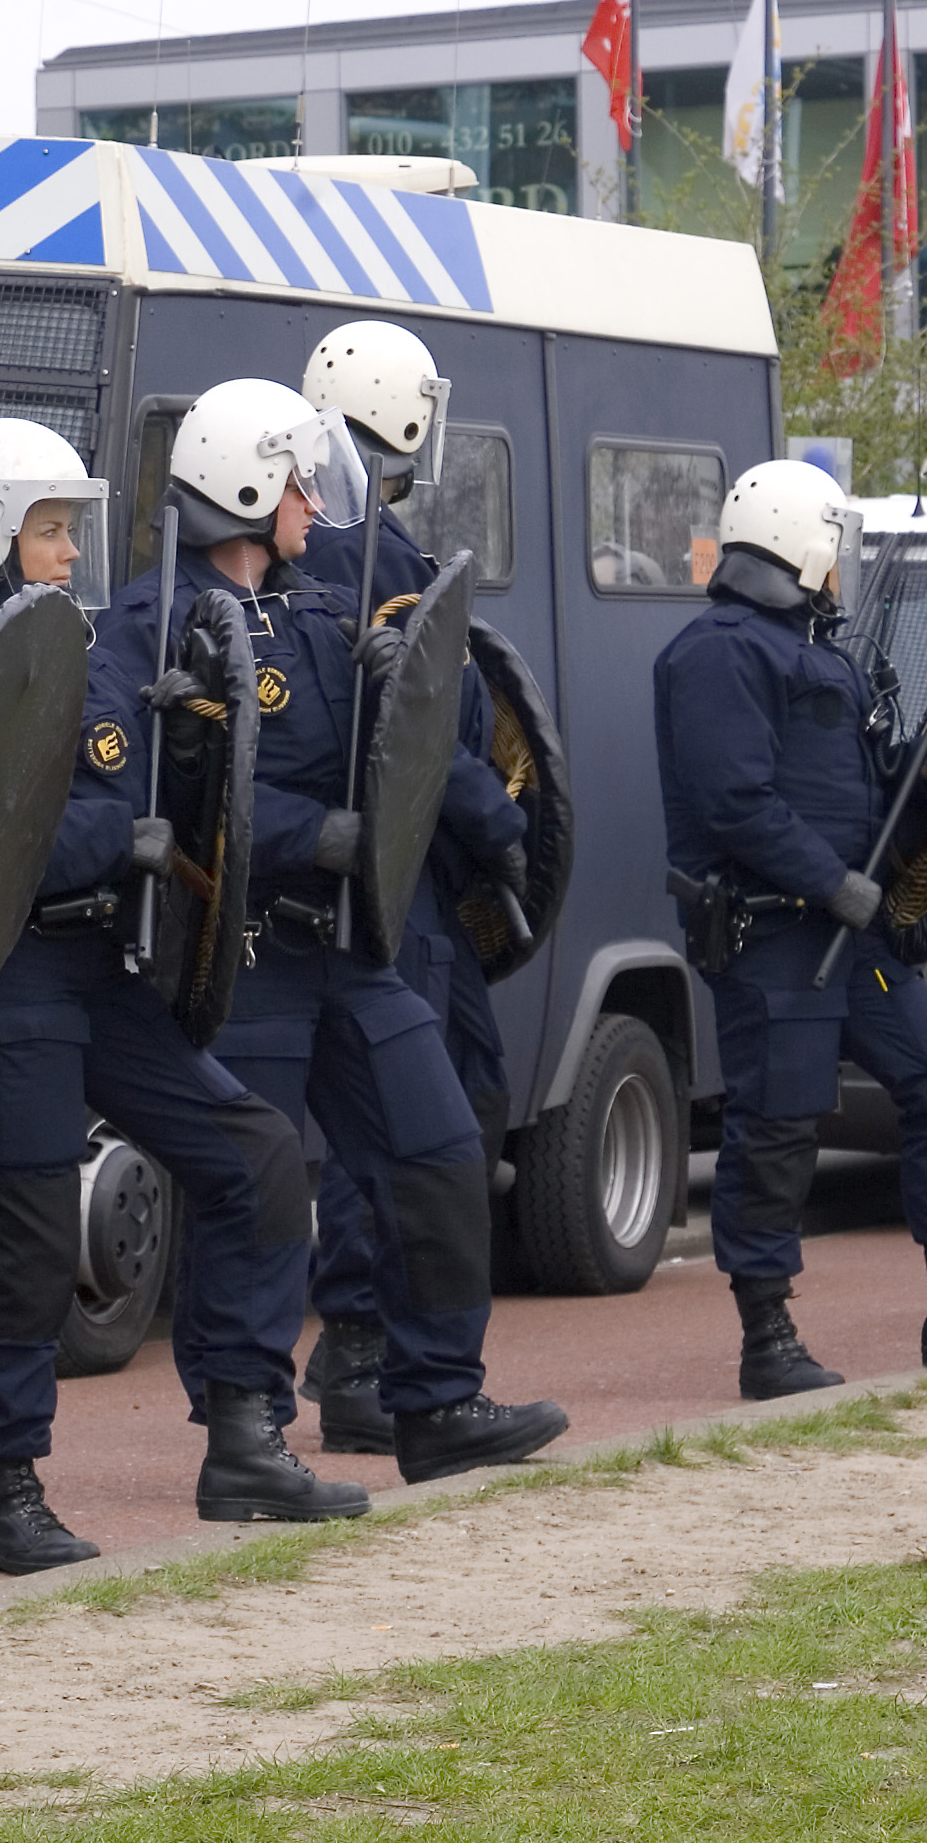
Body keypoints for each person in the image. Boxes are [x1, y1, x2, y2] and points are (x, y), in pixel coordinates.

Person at [163, 380, 572, 1491]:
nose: (312, 501)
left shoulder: (318, 611)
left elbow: (397, 760)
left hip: (355, 944)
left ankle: (438, 1396)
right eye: (296, 480)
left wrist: (408, 696)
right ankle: (241, 1430)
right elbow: (184, 797)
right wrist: (316, 831)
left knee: (439, 1148)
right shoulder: (166, 622)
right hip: (248, 951)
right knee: (255, 1185)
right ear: (247, 486)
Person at [653, 461, 927, 1394]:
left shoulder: (821, 652)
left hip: (851, 937)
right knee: (777, 1128)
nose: (840, 564)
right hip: (774, 939)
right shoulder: (717, 651)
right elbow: (734, 803)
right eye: (833, 544)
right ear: (802, 543)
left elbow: (867, 800)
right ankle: (768, 1340)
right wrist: (829, 881)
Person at [289, 320, 527, 1455]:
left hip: (407, 874)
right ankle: (369, 1356)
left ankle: (378, 1354)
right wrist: (505, 825)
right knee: (417, 1131)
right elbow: (432, 736)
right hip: (405, 877)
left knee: (427, 1122)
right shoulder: (367, 560)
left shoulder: (366, 550)